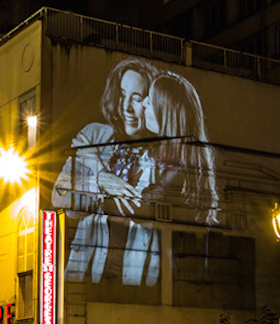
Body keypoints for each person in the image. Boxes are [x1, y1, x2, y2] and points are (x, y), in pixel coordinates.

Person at [52, 58, 160, 283]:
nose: (126, 107)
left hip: (137, 280)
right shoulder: (94, 136)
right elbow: (58, 196)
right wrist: (100, 180)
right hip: (85, 276)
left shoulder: (162, 157)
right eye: (122, 95)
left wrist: (95, 166)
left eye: (137, 98)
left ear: (151, 104)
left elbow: (148, 213)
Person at [123, 72, 219, 285]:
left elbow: (140, 207)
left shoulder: (177, 168)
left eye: (151, 99)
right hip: (159, 277)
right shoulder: (165, 159)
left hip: (163, 279)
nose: (145, 103)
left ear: (165, 112)